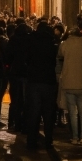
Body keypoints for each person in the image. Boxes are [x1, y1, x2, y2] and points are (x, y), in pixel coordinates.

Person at [57, 17, 82, 146]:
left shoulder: (65, 44)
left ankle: (75, 137)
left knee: (72, 111)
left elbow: (60, 55)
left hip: (69, 80)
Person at [25, 19, 57, 149]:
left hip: (34, 81)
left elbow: (27, 58)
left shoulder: (31, 40)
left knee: (34, 112)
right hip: (48, 81)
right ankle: (48, 139)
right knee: (49, 112)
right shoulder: (52, 42)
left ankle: (31, 140)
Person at [6, 18, 30, 132]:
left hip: (15, 73)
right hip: (26, 73)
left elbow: (8, 56)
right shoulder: (29, 39)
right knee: (26, 100)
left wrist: (9, 66)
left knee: (15, 99)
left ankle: (15, 123)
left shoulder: (13, 40)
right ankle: (25, 124)